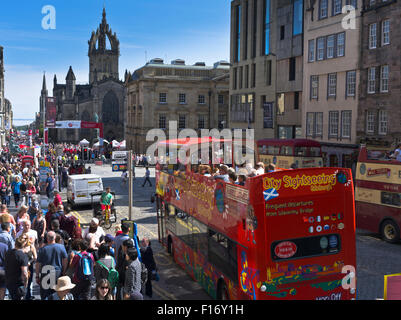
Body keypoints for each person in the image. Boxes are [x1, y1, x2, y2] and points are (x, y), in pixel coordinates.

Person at [35, 231, 68, 300]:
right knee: (56, 293)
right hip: (57, 272)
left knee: (45, 294)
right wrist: (64, 271)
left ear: (47, 238)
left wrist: (37, 275)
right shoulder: (61, 247)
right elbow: (65, 260)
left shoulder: (42, 249)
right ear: (55, 238)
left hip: (45, 273)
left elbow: (38, 264)